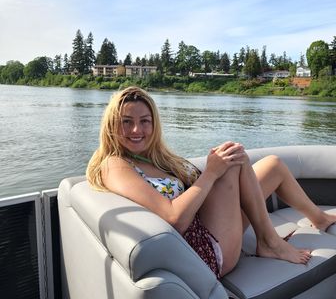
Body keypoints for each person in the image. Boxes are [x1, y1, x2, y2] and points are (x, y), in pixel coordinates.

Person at [86, 86, 336, 279]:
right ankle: (270, 242)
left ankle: (320, 218)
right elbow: (174, 219)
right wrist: (212, 173)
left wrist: (210, 173)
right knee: (232, 160)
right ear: (112, 125)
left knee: (271, 164)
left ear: (154, 124)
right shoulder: (115, 164)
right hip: (201, 251)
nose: (136, 130)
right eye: (126, 122)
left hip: (209, 227)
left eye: (144, 121)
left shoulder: (153, 159)